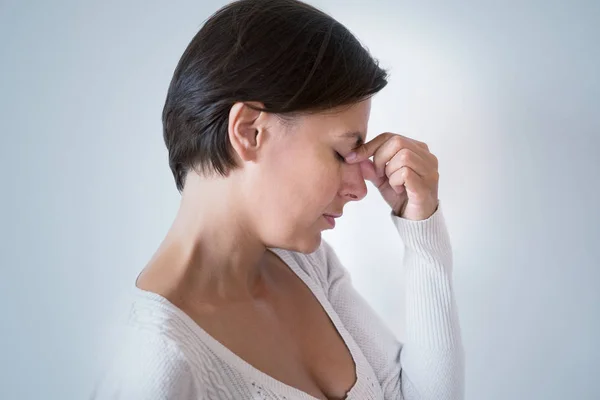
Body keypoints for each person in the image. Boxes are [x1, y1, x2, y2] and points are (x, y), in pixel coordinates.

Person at [92, 0, 464, 398]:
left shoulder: (307, 265)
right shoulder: (154, 365)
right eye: (341, 153)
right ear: (250, 132)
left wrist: (422, 232)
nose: (360, 187)